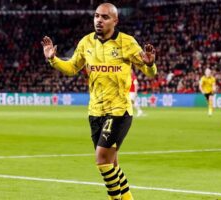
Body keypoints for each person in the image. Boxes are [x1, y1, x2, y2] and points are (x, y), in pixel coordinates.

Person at [41, 3, 157, 200]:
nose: (99, 20)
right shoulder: (86, 42)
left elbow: (150, 73)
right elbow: (71, 68)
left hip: (119, 111)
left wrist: (150, 64)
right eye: (96, 16)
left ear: (115, 21)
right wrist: (53, 59)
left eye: (104, 17)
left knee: (101, 159)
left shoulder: (127, 43)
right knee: (111, 163)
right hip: (95, 112)